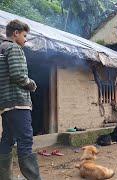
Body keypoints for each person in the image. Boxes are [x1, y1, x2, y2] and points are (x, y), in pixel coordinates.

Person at [0, 20, 41, 179]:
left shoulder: (2, 49)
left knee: (7, 140)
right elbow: (18, 75)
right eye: (24, 36)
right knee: (25, 139)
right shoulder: (14, 48)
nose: (25, 40)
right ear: (15, 33)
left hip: (5, 104)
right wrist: (31, 84)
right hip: (18, 102)